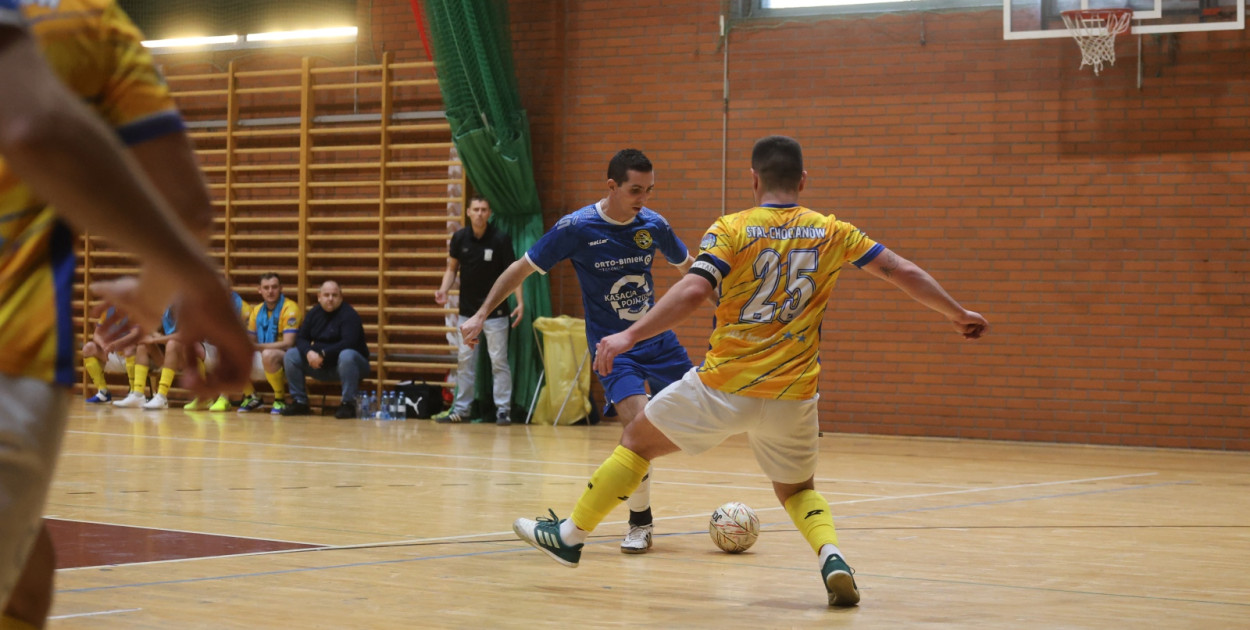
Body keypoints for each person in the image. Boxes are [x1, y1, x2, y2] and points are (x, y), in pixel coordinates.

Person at [510, 136, 990, 608]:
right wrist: (956, 312)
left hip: (724, 386)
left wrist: (627, 336)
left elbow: (695, 292)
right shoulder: (832, 230)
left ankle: (570, 536)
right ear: (803, 179)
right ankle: (832, 555)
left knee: (636, 441)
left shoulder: (732, 228)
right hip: (795, 394)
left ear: (754, 179)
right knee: (799, 491)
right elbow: (900, 270)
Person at [0, 0, 253, 626]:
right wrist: (189, 283)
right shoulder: (90, 25)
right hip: (13, 354)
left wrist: (146, 301)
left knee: (27, 584)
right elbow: (33, 126)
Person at [461, 149, 697, 554]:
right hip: (612, 349)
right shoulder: (577, 228)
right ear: (612, 186)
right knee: (637, 429)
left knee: (701, 419)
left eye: (649, 190)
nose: (643, 198)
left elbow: (692, 270)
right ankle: (639, 521)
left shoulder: (653, 225)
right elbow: (520, 267)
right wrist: (481, 314)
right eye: (635, 190)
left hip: (658, 341)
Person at [433, 195, 523, 425]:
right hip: (468, 312)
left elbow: (514, 274)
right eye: (476, 209)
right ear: (468, 212)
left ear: (489, 213)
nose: (480, 213)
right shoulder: (460, 238)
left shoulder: (500, 239)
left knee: (498, 361)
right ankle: (462, 410)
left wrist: (520, 302)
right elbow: (451, 269)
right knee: (465, 360)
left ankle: (503, 410)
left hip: (497, 313)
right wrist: (444, 289)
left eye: (484, 209)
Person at [280, 280, 370, 419]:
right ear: (319, 297)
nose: (330, 299)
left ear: (341, 297)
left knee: (347, 355)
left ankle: (348, 404)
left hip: (352, 367)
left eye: (334, 295)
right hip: (321, 365)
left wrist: (323, 354)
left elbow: (349, 342)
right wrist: (309, 353)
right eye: (326, 295)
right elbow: (301, 338)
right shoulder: (314, 313)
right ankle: (300, 402)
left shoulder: (349, 315)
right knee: (291, 355)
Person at [239, 273, 301, 414]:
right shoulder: (257, 310)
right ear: (259, 290)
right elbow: (250, 341)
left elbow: (288, 343)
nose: (270, 291)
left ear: (281, 288)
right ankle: (252, 397)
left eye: (274, 287)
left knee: (268, 354)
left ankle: (280, 399)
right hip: (264, 353)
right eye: (266, 287)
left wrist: (258, 347)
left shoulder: (290, 308)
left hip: (287, 358)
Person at [80, 308, 136, 404]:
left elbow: (136, 335)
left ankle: (134, 393)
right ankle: (103, 392)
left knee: (129, 348)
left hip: (134, 357)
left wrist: (117, 344)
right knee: (88, 348)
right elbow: (96, 334)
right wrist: (103, 346)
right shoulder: (108, 312)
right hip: (114, 354)